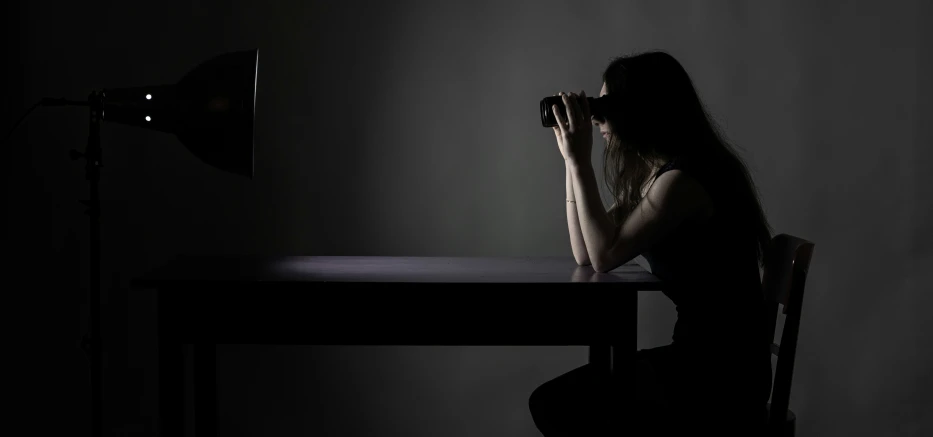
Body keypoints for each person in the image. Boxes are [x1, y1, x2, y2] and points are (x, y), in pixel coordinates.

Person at [528, 50, 774, 436]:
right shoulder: (660, 176)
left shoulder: (682, 182)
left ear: (641, 110)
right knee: (568, 403)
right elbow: (587, 252)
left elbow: (604, 256)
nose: (596, 116)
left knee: (556, 403)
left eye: (605, 105)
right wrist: (570, 161)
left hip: (719, 376)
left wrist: (581, 162)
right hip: (706, 362)